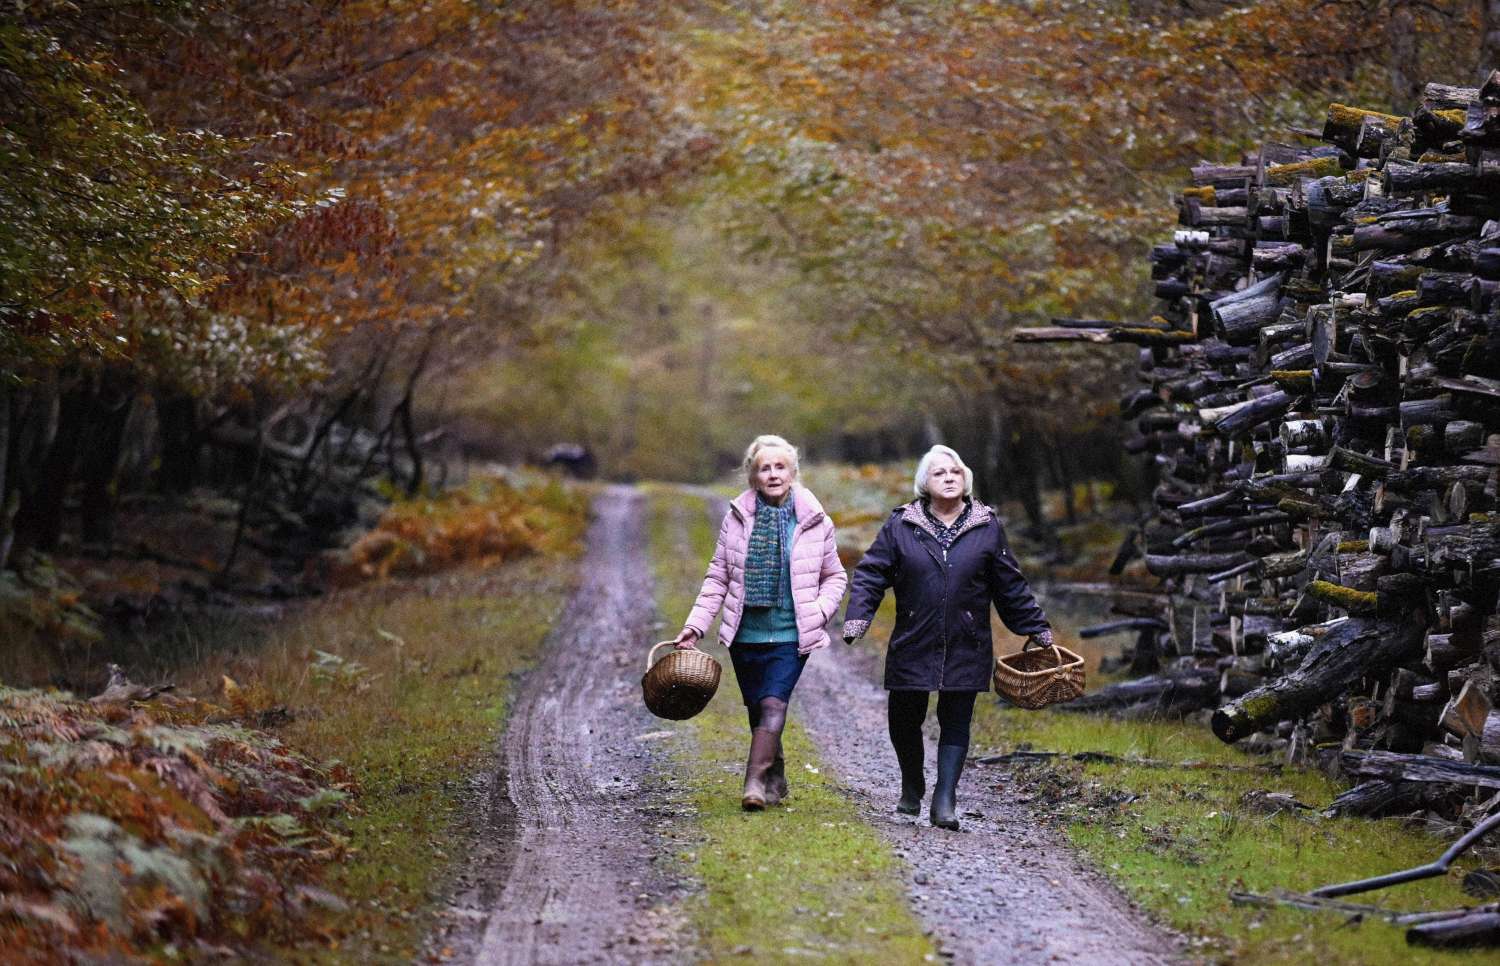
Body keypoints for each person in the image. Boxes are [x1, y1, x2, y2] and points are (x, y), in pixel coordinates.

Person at [842, 445, 1052, 830]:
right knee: (904, 717)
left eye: (955, 471)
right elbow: (872, 573)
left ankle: (945, 798)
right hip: (913, 635)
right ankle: (912, 782)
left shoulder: (987, 525)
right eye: (940, 473)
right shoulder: (902, 524)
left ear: (966, 478)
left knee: (957, 718)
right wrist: (858, 617)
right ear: (926, 482)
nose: (949, 477)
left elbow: (1010, 584)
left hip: (966, 638)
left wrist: (1036, 627)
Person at [674, 435, 847, 810]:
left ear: (793, 472)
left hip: (791, 632)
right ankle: (776, 775)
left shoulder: (815, 520)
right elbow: (718, 577)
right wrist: (696, 625)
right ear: (752, 476)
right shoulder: (736, 519)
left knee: (774, 704)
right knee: (758, 709)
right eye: (764, 468)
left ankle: (752, 782)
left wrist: (818, 611)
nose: (773, 474)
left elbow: (835, 577)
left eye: (780, 467)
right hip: (745, 634)